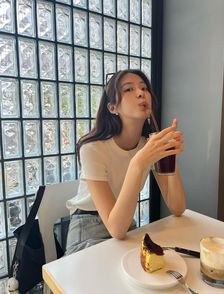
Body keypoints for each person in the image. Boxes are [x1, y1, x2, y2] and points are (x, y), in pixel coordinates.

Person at [65, 69, 186, 255]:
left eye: (144, 88)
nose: (141, 93)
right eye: (129, 89)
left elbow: (177, 208)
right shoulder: (92, 149)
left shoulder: (148, 144)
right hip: (88, 226)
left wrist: (171, 154)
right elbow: (116, 229)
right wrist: (138, 163)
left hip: (124, 221)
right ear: (113, 107)